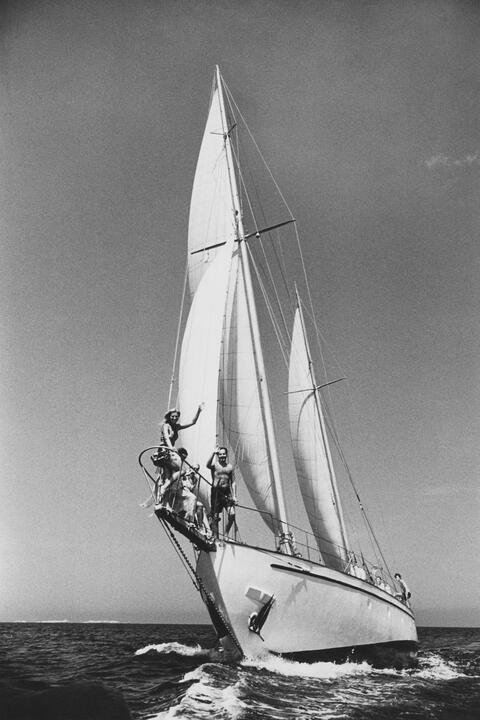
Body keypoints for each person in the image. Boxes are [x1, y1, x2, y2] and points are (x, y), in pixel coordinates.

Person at [154, 404, 204, 498]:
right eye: (172, 416)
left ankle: (165, 494)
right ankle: (164, 487)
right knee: (183, 470)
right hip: (165, 450)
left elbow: (193, 422)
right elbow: (166, 437)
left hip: (170, 450)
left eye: (176, 417)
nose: (174, 418)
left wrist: (198, 411)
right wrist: (171, 447)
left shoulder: (177, 427)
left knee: (169, 476)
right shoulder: (166, 426)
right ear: (169, 417)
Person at [206, 446, 237, 538]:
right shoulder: (215, 465)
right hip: (216, 492)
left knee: (232, 514)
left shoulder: (230, 467)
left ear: (226, 455)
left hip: (227, 492)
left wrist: (234, 496)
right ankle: (215, 536)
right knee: (215, 516)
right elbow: (207, 465)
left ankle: (226, 533)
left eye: (224, 454)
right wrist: (213, 453)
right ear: (218, 455)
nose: (222, 456)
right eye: (220, 454)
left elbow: (233, 482)